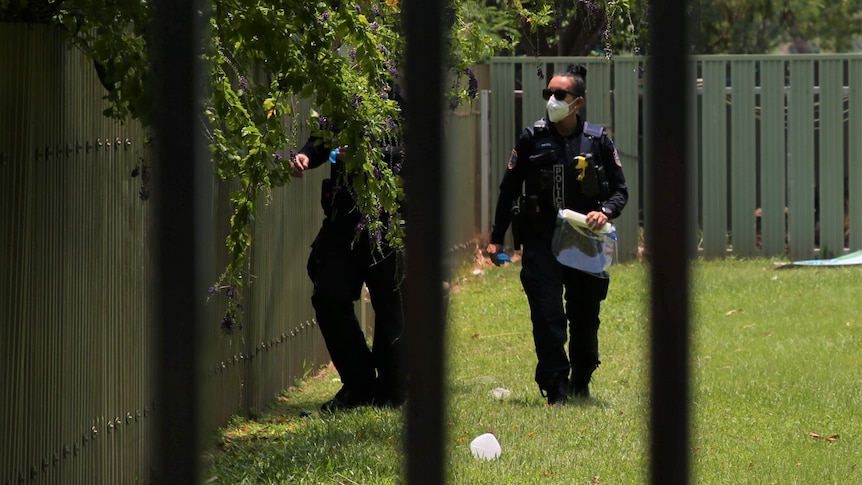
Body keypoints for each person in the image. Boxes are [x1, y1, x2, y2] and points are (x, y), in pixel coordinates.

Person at [485, 64, 628, 406]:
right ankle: (556, 387)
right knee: (547, 315)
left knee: (584, 314)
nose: (551, 99)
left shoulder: (598, 140)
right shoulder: (531, 137)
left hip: (584, 240)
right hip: (541, 240)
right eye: (547, 93)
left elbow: (620, 191)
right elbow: (508, 190)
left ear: (578, 101)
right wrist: (496, 237)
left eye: (559, 94)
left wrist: (604, 211)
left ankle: (581, 376)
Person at [291, 88, 407, 413]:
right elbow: (322, 139)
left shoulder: (405, 97)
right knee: (327, 294)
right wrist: (305, 156)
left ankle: (391, 390)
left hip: (388, 221)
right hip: (343, 219)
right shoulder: (344, 94)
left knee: (391, 306)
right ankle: (358, 384)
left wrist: (365, 155)